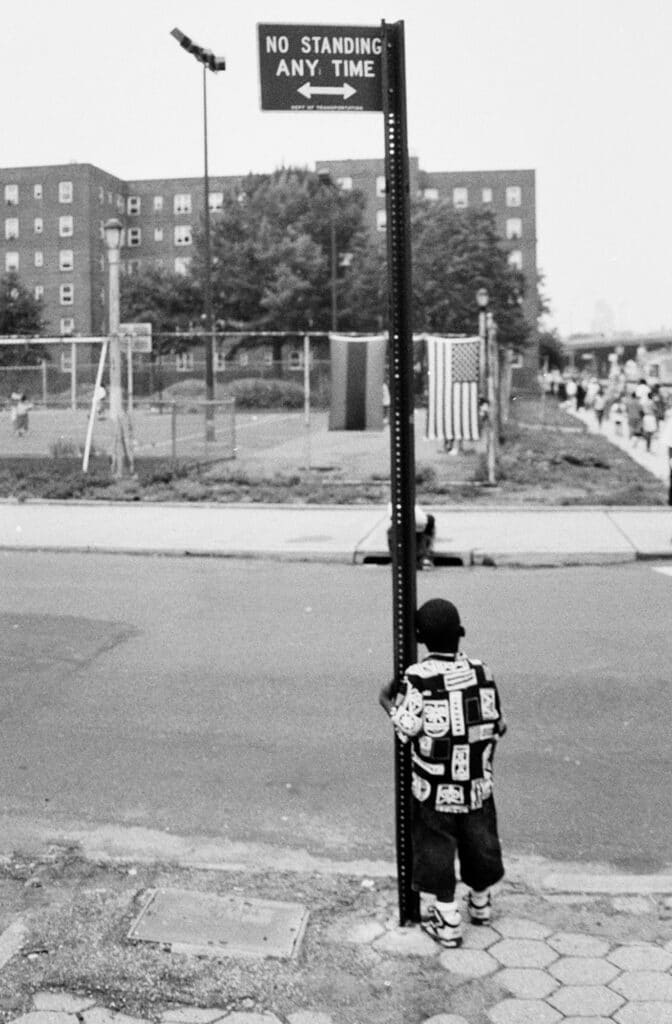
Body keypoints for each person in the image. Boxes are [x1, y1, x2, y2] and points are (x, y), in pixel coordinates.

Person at [379, 598, 507, 948]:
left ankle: (448, 918)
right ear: (460, 634)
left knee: (436, 847)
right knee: (480, 841)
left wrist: (387, 701)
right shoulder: (483, 671)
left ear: (420, 638)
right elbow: (499, 723)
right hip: (477, 784)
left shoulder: (418, 677)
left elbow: (407, 728)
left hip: (435, 787)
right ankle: (480, 902)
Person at [387, 503, 435, 570]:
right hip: (422, 521)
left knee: (391, 531)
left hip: (410, 523)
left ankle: (399, 560)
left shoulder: (392, 504)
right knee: (423, 531)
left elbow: (394, 520)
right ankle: (425, 558)